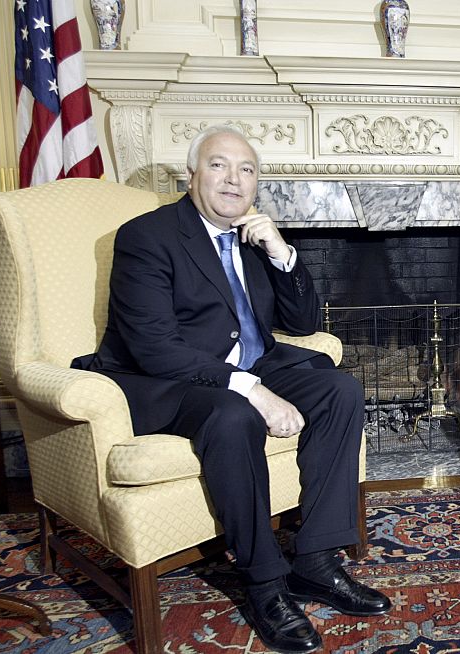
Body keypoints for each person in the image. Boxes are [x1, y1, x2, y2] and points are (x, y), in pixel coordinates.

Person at [73, 125, 390, 653]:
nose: (233, 180)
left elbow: (304, 319)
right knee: (234, 413)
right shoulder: (147, 236)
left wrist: (280, 251)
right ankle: (265, 580)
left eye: (246, 170)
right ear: (193, 174)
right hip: (166, 381)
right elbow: (154, 348)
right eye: (219, 165)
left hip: (252, 363)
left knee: (340, 391)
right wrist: (251, 389)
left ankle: (315, 559)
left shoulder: (252, 237)